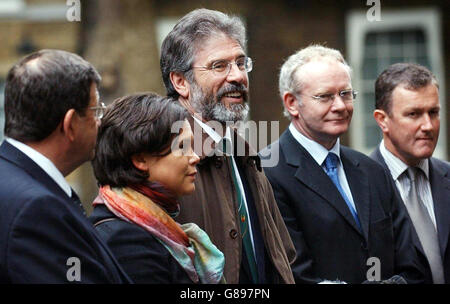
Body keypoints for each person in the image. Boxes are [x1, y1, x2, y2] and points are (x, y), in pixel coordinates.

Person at [260, 45, 424, 284]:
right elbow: (293, 276)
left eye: (345, 94)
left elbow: (413, 266)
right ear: (292, 103)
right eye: (325, 96)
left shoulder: (372, 170)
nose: (339, 106)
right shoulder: (267, 172)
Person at [160, 8, 296, 284]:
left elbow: (283, 257)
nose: (237, 77)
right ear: (180, 82)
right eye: (219, 66)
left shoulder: (246, 153)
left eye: (241, 63)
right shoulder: (163, 158)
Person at [0, 49, 130, 283]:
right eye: (95, 111)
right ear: (70, 124)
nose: (100, 123)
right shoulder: (35, 208)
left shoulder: (15, 181)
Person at [89, 93, 225, 284]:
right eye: (183, 146)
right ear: (140, 159)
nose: (195, 157)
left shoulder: (147, 224)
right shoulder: (124, 241)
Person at [371, 63, 450, 284]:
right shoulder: (360, 186)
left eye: (433, 112)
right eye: (414, 114)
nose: (428, 125)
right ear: (382, 120)